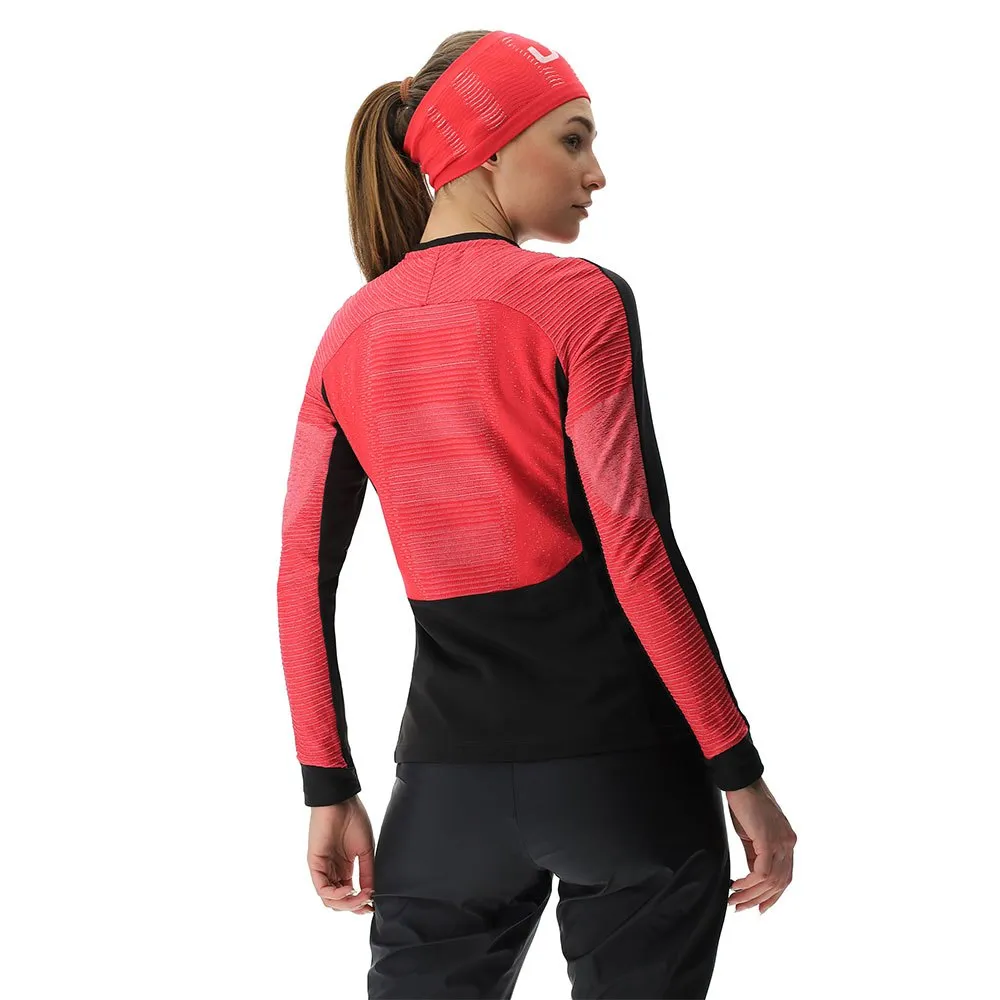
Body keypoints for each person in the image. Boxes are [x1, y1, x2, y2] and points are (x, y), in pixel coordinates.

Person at [276, 28, 797, 999]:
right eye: (571, 139)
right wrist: (738, 768)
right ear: (483, 147)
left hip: (444, 799)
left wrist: (327, 783)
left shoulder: (349, 333)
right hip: (625, 777)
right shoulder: (573, 301)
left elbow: (301, 570)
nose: (596, 173)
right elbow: (635, 546)